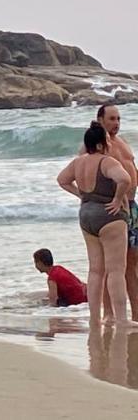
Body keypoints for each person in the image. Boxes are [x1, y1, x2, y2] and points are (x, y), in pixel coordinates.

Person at [57, 123, 133, 325]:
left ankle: (95, 318)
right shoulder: (106, 162)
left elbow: (62, 180)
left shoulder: (78, 162)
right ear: (99, 145)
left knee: (95, 270)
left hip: (87, 215)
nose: (109, 143)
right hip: (109, 217)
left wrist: (80, 194)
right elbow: (124, 179)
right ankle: (121, 319)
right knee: (116, 270)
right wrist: (117, 200)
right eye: (107, 141)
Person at [92, 103, 138, 320]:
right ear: (100, 120)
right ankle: (109, 315)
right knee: (112, 265)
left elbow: (131, 168)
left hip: (132, 206)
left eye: (118, 119)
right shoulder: (98, 144)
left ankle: (136, 314)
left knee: (133, 262)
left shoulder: (123, 142)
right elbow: (85, 167)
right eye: (111, 119)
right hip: (113, 207)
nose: (116, 123)